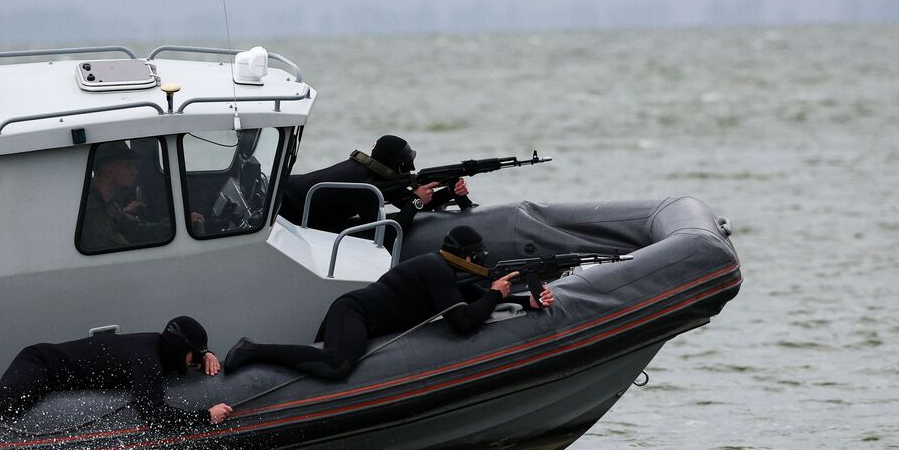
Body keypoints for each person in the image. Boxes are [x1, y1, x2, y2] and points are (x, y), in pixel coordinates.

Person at [223, 226, 553, 380]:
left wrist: (527, 303)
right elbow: (463, 322)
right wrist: (496, 292)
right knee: (336, 365)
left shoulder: (445, 274)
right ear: (469, 257)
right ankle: (252, 349)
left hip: (359, 315)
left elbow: (476, 303)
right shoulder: (435, 268)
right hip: (354, 311)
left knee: (323, 364)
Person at [0, 316, 234, 426]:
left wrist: (207, 354)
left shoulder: (155, 346)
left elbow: (176, 362)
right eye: (193, 355)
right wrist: (205, 417)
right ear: (179, 350)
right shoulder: (146, 360)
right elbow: (153, 414)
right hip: (41, 364)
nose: (193, 362)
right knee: (8, 405)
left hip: (48, 364)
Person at [278, 135, 470, 234]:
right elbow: (386, 233)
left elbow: (406, 203)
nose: (410, 169)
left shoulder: (373, 172)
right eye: (406, 164)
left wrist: (449, 191)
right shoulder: (365, 186)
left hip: (285, 190)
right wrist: (416, 201)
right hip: (283, 208)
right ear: (397, 164)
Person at [78, 142, 172, 251]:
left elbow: (136, 229)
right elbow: (124, 253)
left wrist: (174, 226)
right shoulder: (92, 212)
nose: (135, 171)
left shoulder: (107, 203)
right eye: (128, 166)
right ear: (109, 172)